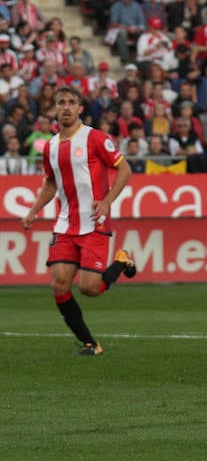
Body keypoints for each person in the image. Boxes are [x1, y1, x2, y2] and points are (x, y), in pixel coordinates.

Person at [20, 87, 137, 356]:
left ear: (80, 109)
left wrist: (107, 201)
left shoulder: (95, 138)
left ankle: (121, 261)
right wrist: (33, 210)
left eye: (72, 102)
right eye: (61, 102)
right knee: (59, 284)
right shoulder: (50, 146)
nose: (66, 107)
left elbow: (125, 169)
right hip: (65, 224)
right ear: (54, 109)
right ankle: (90, 343)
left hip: (94, 221)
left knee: (89, 288)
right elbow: (51, 182)